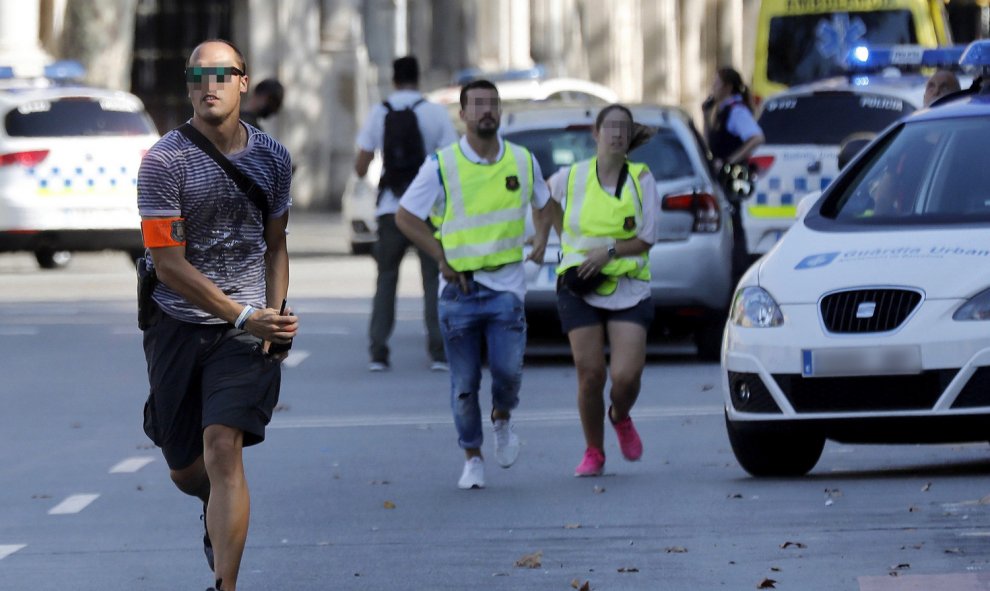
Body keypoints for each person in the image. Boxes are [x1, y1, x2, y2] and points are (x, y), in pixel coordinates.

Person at [137, 39, 297, 591]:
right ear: (188, 86)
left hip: (245, 333)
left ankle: (224, 585)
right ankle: (211, 504)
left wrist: (271, 314)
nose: (210, 84)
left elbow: (275, 246)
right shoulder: (164, 160)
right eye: (198, 75)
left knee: (223, 446)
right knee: (187, 469)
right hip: (177, 325)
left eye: (221, 74)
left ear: (243, 83)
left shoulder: (273, 158)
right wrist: (242, 316)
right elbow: (169, 264)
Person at [395, 79, 552, 490]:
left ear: (500, 112)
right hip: (460, 291)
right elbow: (406, 216)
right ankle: (472, 456)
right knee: (464, 385)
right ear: (462, 114)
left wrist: (541, 238)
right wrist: (440, 258)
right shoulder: (441, 165)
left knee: (507, 373)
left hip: (506, 287)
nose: (486, 110)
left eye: (492, 104)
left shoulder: (521, 160)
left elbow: (545, 202)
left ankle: (502, 417)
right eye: (477, 104)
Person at [538, 104, 659, 477]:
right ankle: (594, 451)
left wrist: (607, 252)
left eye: (624, 128)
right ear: (596, 133)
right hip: (579, 286)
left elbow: (646, 239)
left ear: (629, 136)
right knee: (590, 373)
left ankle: (620, 416)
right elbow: (541, 201)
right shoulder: (570, 177)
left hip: (628, 285)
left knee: (625, 378)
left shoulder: (641, 179)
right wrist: (545, 239)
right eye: (611, 127)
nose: (617, 134)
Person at [355, 56, 457, 372]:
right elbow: (451, 162)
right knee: (433, 278)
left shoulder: (379, 112)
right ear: (418, 78)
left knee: (386, 279)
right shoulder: (435, 113)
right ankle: (439, 352)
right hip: (428, 210)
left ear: (394, 79)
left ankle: (378, 352)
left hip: (390, 208)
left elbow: (361, 165)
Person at [702, 67, 764, 280]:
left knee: (735, 222)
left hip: (732, 176)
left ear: (727, 87)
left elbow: (756, 138)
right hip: (721, 175)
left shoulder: (736, 111)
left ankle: (740, 270)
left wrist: (731, 159)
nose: (713, 87)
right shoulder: (718, 109)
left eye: (716, 83)